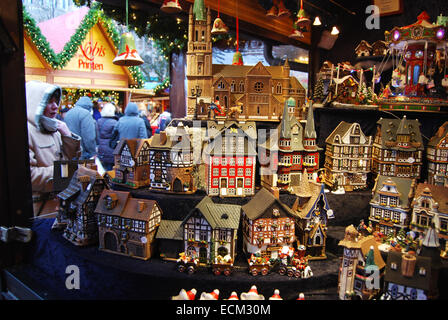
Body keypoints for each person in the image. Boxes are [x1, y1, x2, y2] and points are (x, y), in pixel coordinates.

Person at [26, 81, 81, 217]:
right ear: (35, 104)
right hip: (40, 212)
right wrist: (65, 172)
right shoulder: (26, 130)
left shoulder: (54, 128)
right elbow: (28, 175)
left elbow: (70, 159)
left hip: (59, 208)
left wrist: (68, 136)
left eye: (56, 101)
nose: (55, 106)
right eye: (49, 102)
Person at [97, 103, 118, 171]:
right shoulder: (114, 122)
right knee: (110, 170)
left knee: (103, 169)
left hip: (101, 148)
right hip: (110, 149)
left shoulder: (99, 121)